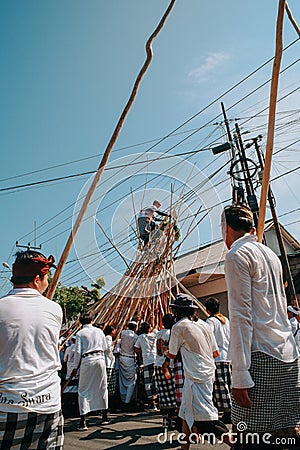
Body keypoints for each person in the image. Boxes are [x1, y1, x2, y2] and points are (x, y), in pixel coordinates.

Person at [222, 203, 300, 448]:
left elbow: (241, 316)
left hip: (261, 357)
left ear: (226, 229)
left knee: (250, 438)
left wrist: (240, 374)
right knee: (286, 436)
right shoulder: (269, 254)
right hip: (288, 356)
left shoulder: (236, 255)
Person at [0, 250, 63, 449]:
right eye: (46, 278)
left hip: (7, 404)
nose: (47, 282)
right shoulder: (54, 309)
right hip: (48, 404)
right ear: (37, 279)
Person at [166, 293, 231, 450]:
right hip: (208, 372)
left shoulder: (179, 327)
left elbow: (172, 355)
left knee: (207, 419)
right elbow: (215, 353)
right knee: (185, 414)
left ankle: (235, 444)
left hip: (195, 376)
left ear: (177, 311)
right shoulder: (204, 324)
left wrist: (163, 352)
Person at [71, 313, 109, 430]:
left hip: (87, 360)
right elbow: (106, 347)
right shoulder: (99, 331)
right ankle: (104, 416)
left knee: (83, 389)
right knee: (102, 387)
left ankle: (83, 421)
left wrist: (75, 367)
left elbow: (77, 352)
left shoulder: (80, 333)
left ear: (80, 322)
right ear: (92, 320)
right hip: (100, 359)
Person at [205, 297, 232, 424]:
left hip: (217, 358)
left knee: (221, 386)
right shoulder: (226, 320)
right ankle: (231, 410)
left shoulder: (210, 322)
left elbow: (208, 339)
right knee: (228, 384)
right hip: (228, 356)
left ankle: (227, 411)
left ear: (207, 310)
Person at [154, 314, 177, 429]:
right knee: (172, 392)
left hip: (158, 365)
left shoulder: (158, 334)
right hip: (168, 366)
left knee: (162, 392)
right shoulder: (172, 333)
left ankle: (165, 420)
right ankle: (173, 420)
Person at [134, 322, 158, 410]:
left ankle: (152, 402)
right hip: (155, 360)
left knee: (148, 382)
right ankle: (157, 401)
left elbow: (136, 348)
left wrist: (142, 350)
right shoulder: (155, 334)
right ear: (149, 329)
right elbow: (157, 326)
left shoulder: (141, 337)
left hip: (147, 361)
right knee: (155, 381)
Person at [119, 321, 138, 408]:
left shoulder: (123, 333)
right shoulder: (135, 337)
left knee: (122, 380)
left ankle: (123, 399)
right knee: (131, 381)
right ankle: (127, 402)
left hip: (122, 358)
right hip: (130, 359)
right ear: (135, 328)